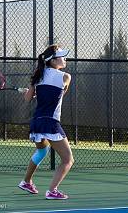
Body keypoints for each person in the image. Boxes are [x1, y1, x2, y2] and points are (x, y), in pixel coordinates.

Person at [18, 44, 74, 200]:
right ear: (53, 61)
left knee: (42, 150)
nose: (64, 58)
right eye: (61, 56)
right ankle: (52, 190)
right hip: (50, 122)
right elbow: (60, 94)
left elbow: (28, 98)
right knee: (68, 160)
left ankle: (26, 181)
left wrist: (33, 89)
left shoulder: (38, 76)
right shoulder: (66, 77)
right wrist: (39, 92)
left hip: (36, 122)